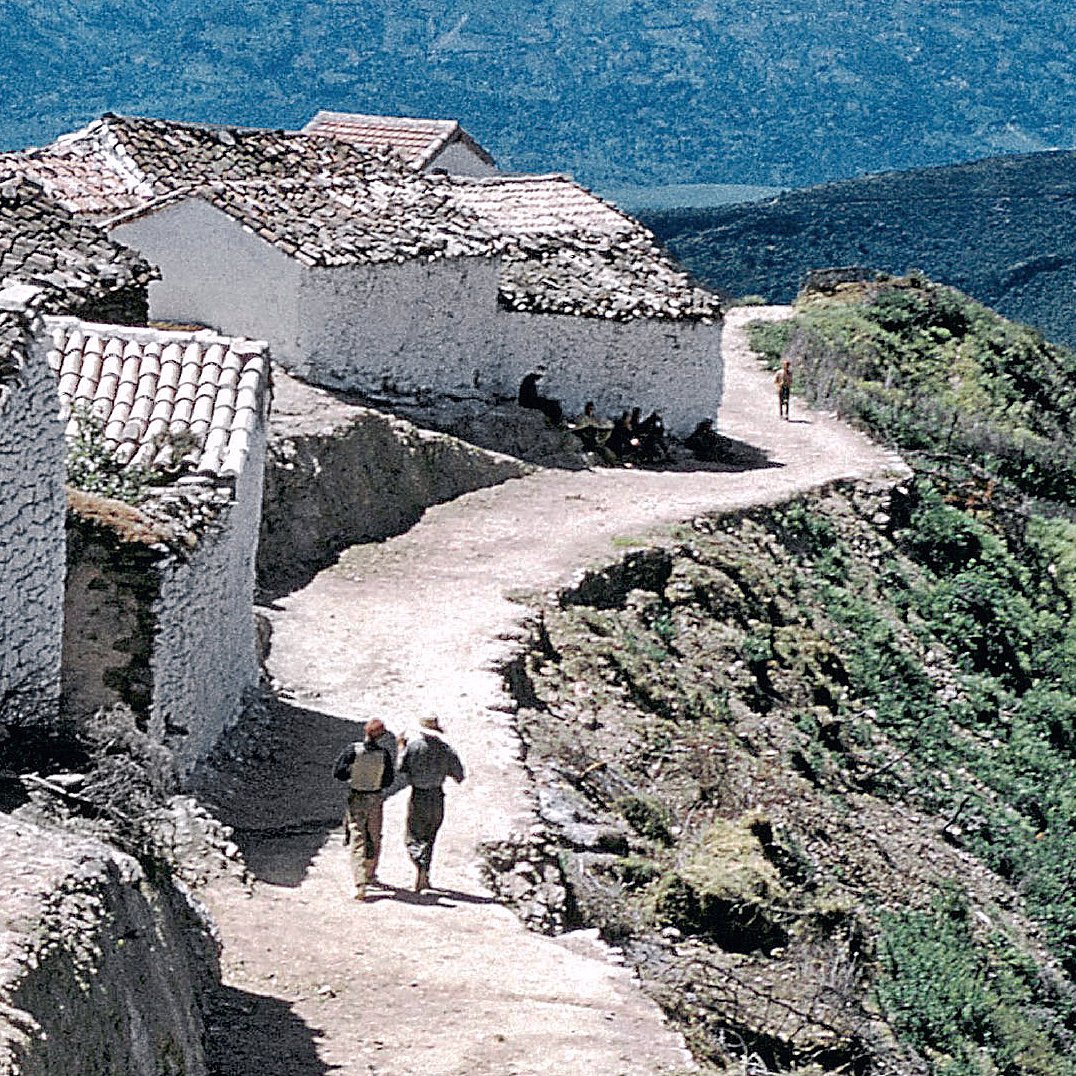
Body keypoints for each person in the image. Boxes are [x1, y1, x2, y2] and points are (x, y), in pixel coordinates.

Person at [396, 715, 465, 892]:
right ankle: (424, 874)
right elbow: (459, 775)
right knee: (430, 835)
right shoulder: (446, 750)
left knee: (413, 836)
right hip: (437, 796)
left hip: (418, 795)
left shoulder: (414, 747)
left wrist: (400, 746)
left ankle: (419, 866)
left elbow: (400, 767)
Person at [333, 718, 396, 900]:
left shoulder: (353, 750)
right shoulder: (383, 754)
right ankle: (370, 873)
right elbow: (388, 780)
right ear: (381, 736)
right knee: (374, 835)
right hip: (375, 798)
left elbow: (339, 772)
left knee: (357, 837)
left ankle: (359, 883)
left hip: (356, 797)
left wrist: (355, 774)